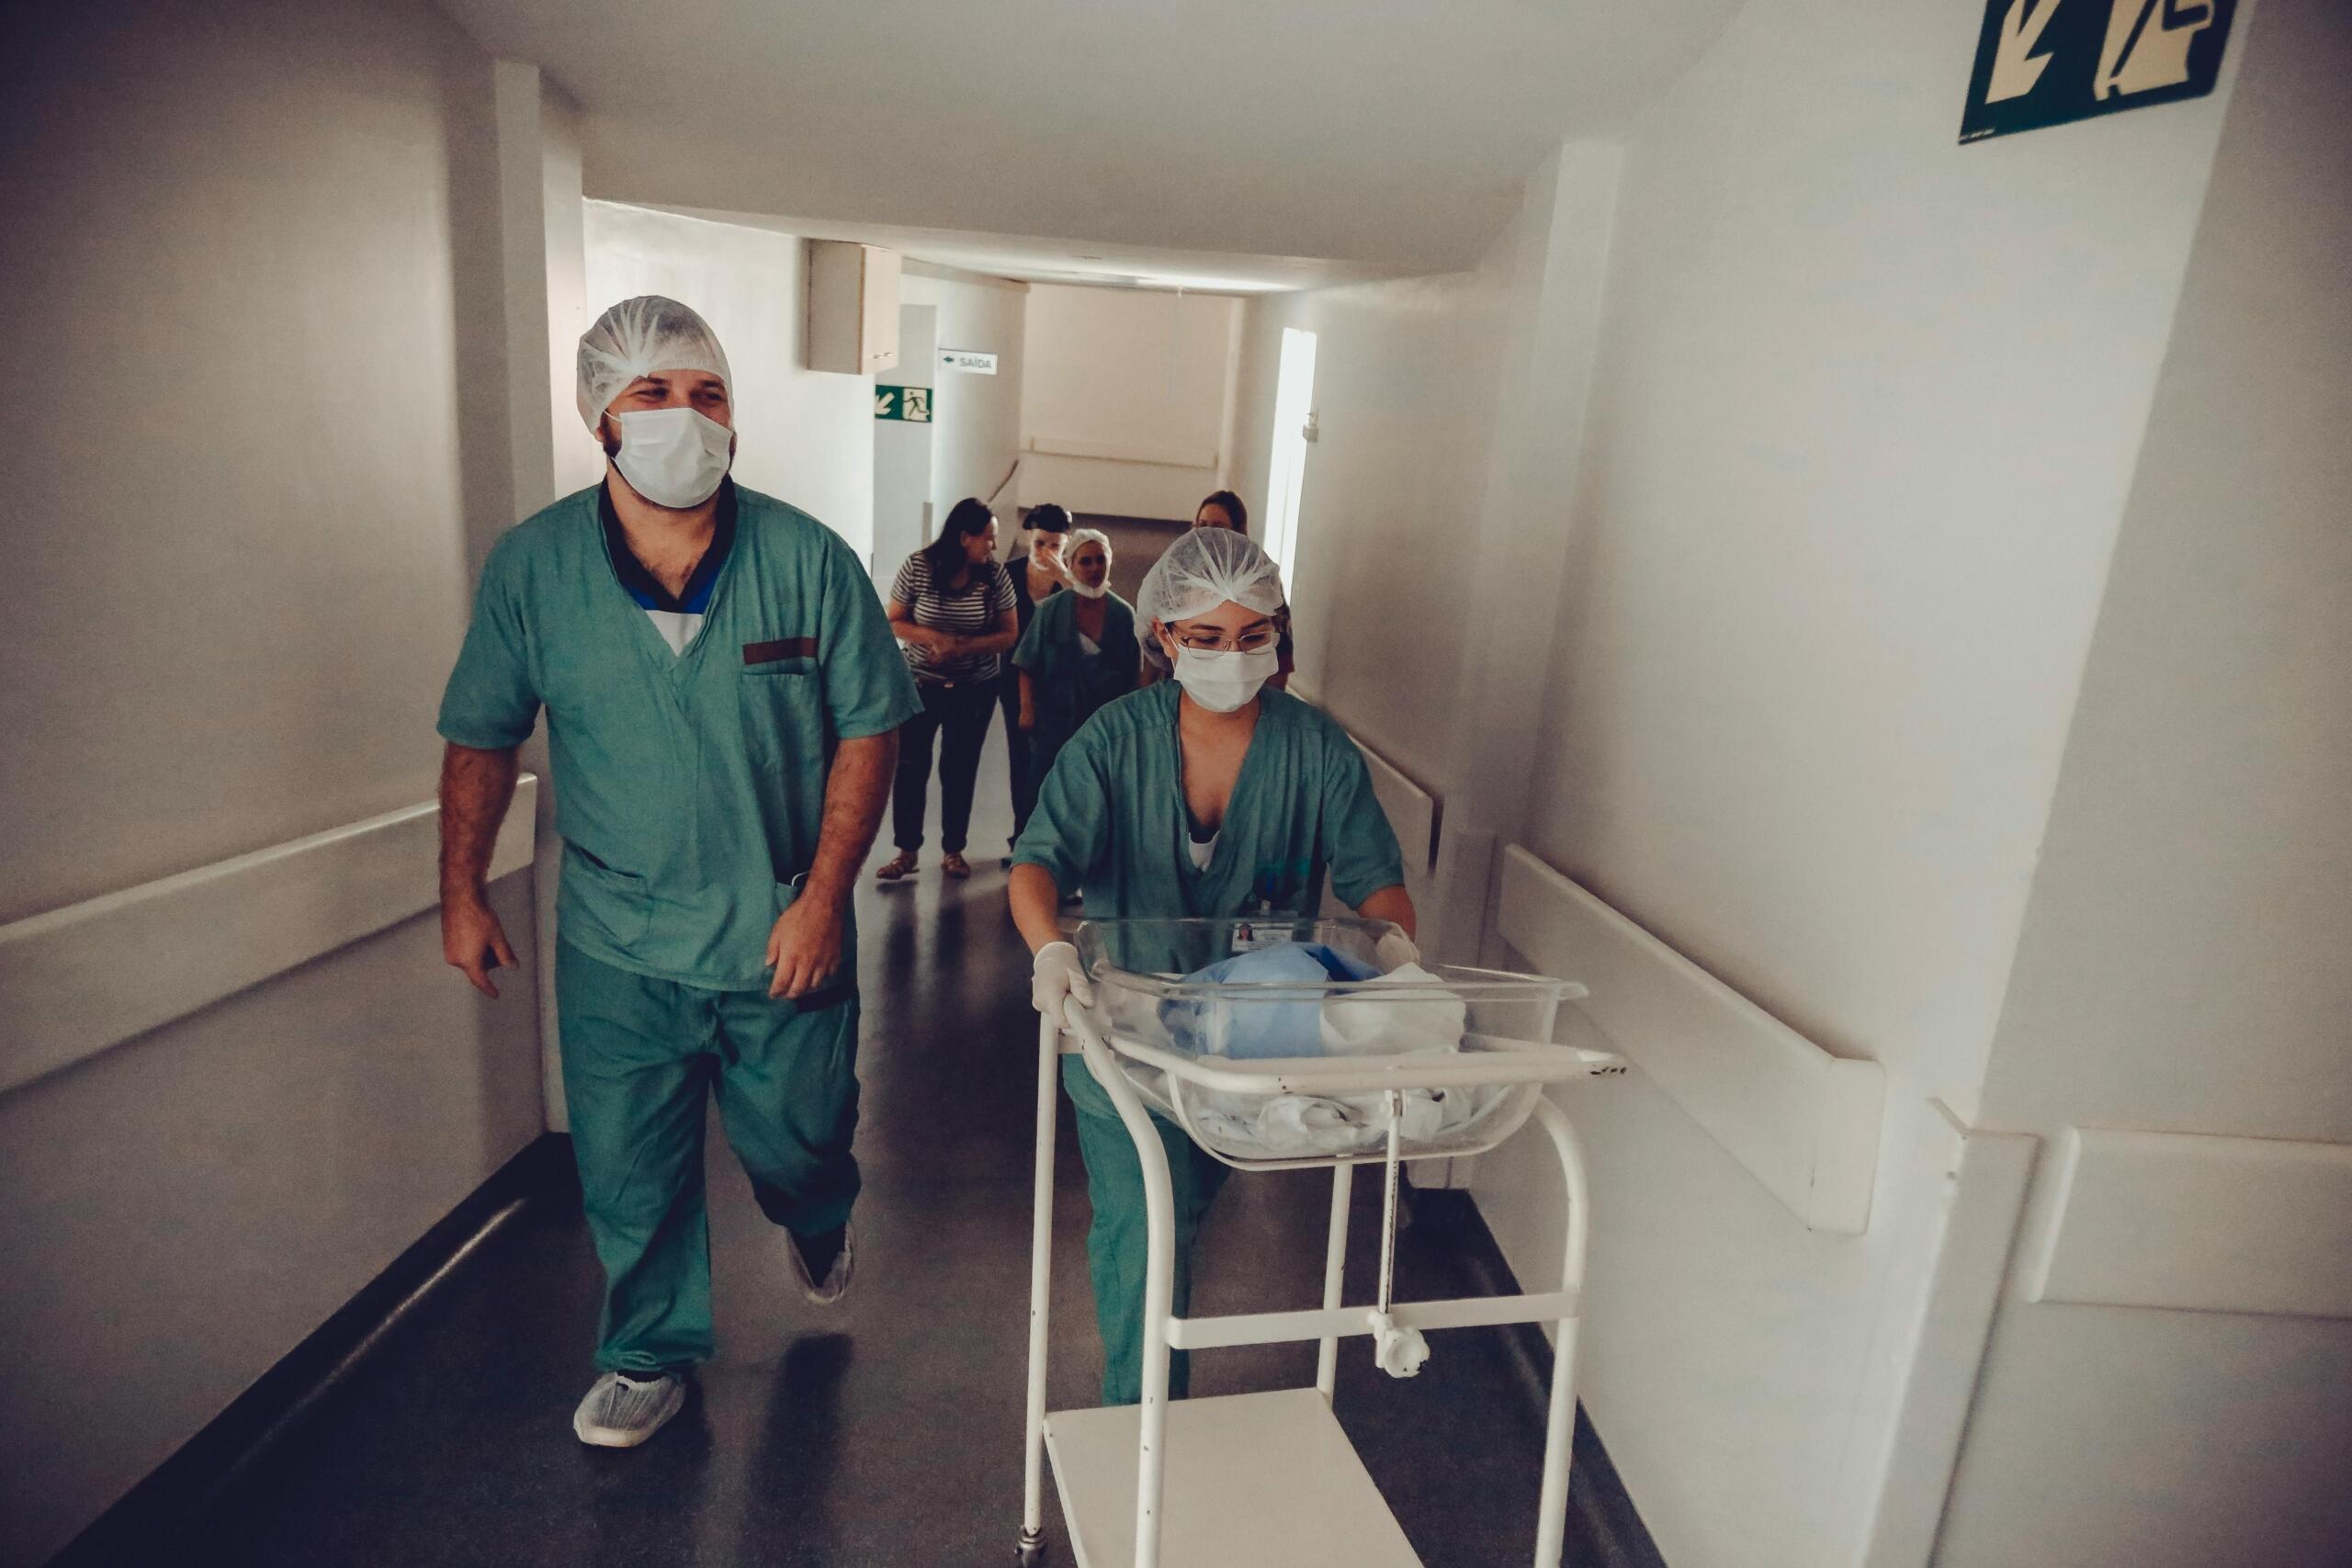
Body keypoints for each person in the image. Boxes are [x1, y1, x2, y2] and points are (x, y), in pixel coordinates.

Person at [435, 296, 921, 1450]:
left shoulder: (805, 559)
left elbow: (870, 730)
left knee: (797, 1135)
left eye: (707, 394)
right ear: (600, 417)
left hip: (779, 923)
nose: (683, 419)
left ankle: (815, 1212)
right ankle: (647, 1351)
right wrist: (460, 891)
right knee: (628, 1163)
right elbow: (481, 737)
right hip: (617, 935)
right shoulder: (535, 568)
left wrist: (821, 898)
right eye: (651, 394)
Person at [1006, 526, 1415, 1405]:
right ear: (1164, 637)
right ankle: (1141, 1421)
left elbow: (1376, 876)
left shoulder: (1315, 751)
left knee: (1180, 1212)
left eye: (1253, 635)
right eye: (1208, 638)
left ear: (1279, 634)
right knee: (1144, 1226)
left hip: (1254, 1038)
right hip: (1122, 1033)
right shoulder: (1117, 739)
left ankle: (1150, 1387)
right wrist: (1049, 945)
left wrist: (1404, 964)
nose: (1234, 655)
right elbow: (1038, 858)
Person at [878, 499, 1019, 881]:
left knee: (959, 769)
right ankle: (906, 851)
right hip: (920, 684)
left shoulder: (994, 576)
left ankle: (953, 850)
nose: (993, 545)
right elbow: (893, 621)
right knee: (910, 767)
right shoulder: (919, 567)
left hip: (975, 688)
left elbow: (1009, 634)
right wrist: (934, 638)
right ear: (964, 538)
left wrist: (962, 646)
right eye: (988, 538)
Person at [1012, 528, 1139, 836]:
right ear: (1071, 564)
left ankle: (1085, 857)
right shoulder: (1052, 610)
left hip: (1102, 720)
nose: (1094, 568)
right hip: (1054, 716)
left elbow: (1133, 674)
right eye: (1086, 561)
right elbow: (1026, 664)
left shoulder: (1124, 615)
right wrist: (1027, 709)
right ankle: (1029, 851)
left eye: (1100, 560)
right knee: (1043, 784)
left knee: (1095, 788)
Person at [1141, 490, 1295, 690]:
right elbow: (1155, 643)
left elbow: (1280, 651)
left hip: (1244, 690)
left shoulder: (1259, 578)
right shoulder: (1177, 575)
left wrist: (1271, 705)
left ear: (1237, 531)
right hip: (1184, 689)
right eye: (1202, 525)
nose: (1207, 534)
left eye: (1218, 527)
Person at [998, 502, 1074, 866]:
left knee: (1057, 761)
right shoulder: (1009, 574)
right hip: (1013, 679)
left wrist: (1065, 579)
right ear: (1030, 536)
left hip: (1059, 682)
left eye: (1056, 546)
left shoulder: (1070, 579)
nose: (1047, 552)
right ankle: (1020, 834)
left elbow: (1089, 614)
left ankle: (1050, 840)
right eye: (1041, 543)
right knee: (1021, 759)